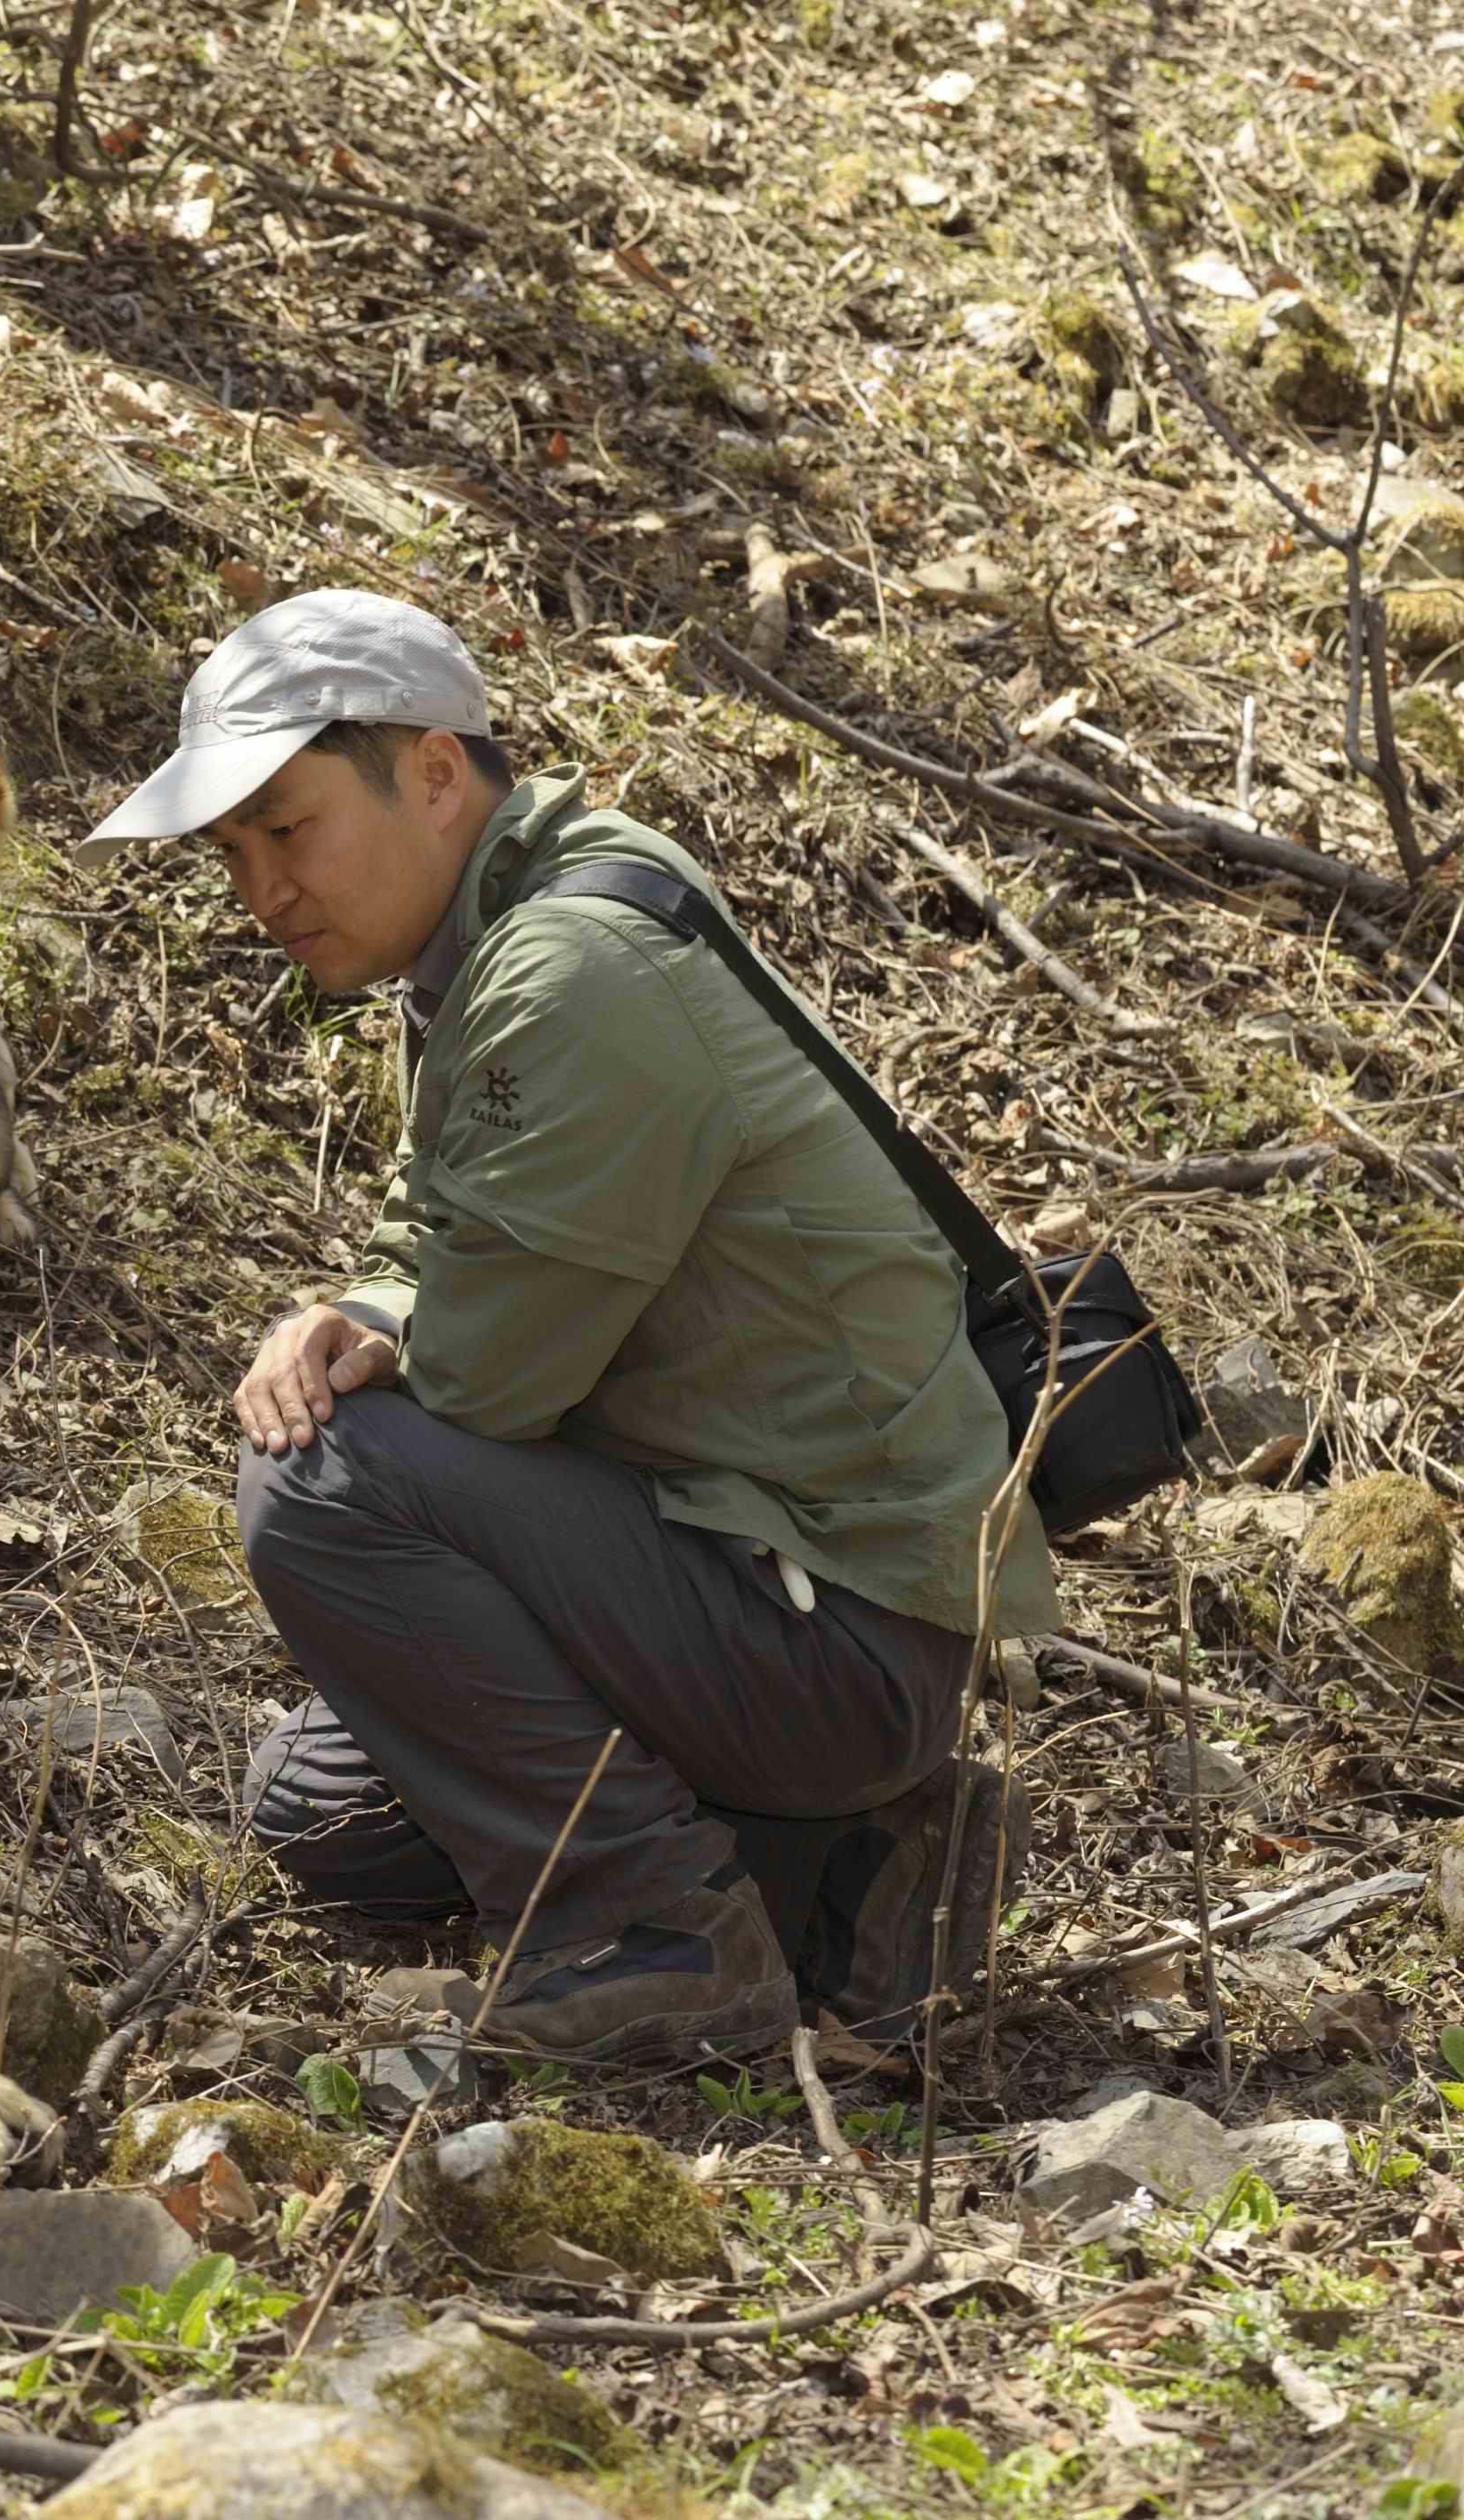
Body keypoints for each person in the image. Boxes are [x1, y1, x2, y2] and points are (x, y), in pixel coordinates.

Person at [77, 589, 1056, 2066]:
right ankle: (854, 1871)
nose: (261, 889)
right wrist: (363, 1309)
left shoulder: (572, 970)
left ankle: (651, 1938)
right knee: (322, 1813)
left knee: (320, 1481)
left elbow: (491, 1382)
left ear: (432, 773)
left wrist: (394, 1346)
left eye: (287, 828)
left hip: (833, 1627)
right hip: (753, 1577)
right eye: (230, 852)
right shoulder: (498, 933)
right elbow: (437, 1238)